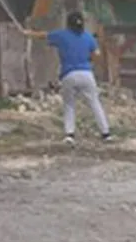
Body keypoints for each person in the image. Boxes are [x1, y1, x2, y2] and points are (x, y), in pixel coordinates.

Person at [24, 11, 111, 144]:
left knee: (69, 104)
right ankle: (105, 133)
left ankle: (70, 134)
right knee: (94, 103)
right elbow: (96, 55)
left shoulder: (62, 35)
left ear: (68, 24)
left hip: (69, 74)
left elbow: (43, 35)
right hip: (87, 74)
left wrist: (28, 33)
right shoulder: (89, 37)